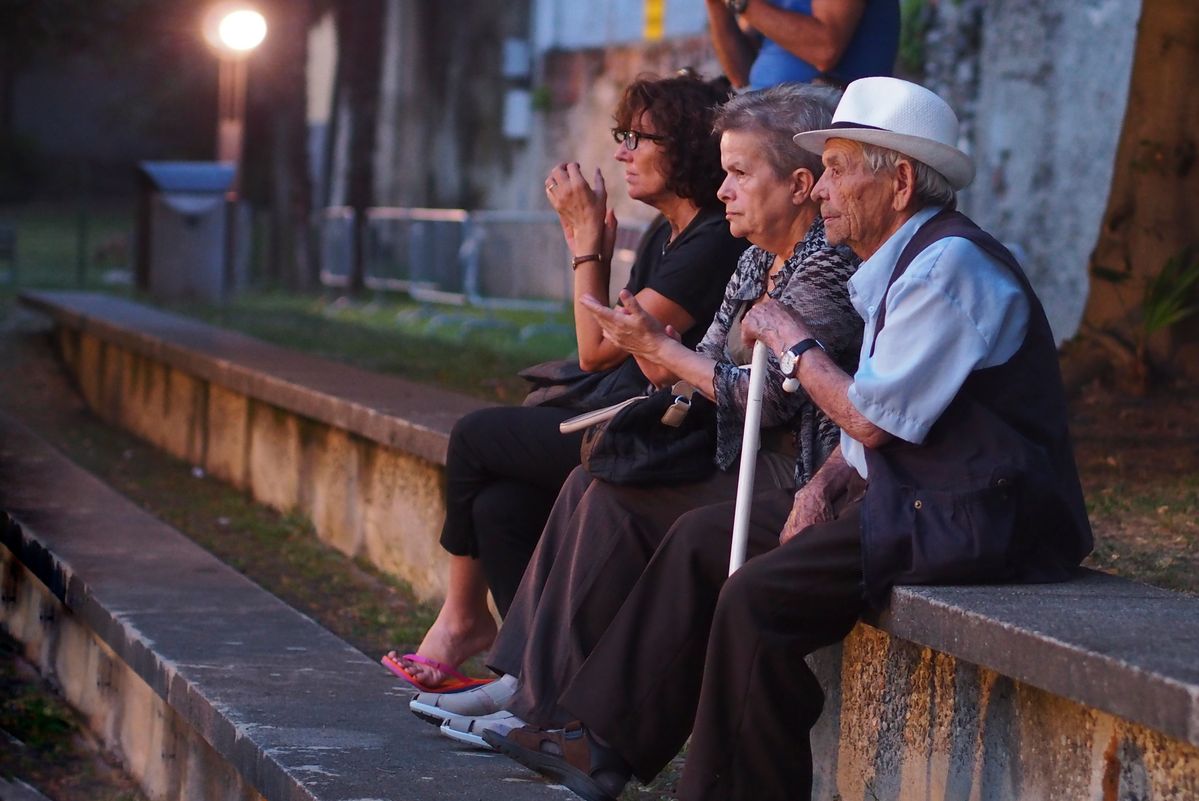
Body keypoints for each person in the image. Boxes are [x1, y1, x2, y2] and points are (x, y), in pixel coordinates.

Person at [481, 77, 1093, 801]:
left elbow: (869, 414)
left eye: (837, 169)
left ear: (897, 181)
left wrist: (793, 341)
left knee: (754, 599)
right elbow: (879, 424)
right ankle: (593, 740)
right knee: (702, 539)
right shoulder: (899, 264)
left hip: (974, 516)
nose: (822, 190)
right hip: (911, 496)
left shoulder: (948, 268)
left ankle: (717, 787)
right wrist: (828, 480)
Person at [408, 83, 859, 744]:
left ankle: (552, 707)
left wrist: (656, 345)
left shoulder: (823, 265)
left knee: (595, 484)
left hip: (794, 475)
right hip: (735, 452)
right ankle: (531, 686)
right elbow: (702, 363)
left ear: (798, 184)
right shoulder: (757, 255)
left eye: (738, 173)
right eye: (724, 171)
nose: (725, 188)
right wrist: (659, 348)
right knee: (593, 480)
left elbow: (764, 395)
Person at [383, 73, 747, 691]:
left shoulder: (712, 238)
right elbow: (604, 345)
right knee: (500, 507)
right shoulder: (668, 231)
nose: (623, 153)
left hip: (667, 434)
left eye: (641, 138)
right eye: (621, 136)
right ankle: (534, 676)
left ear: (686, 146)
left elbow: (597, 349)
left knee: (474, 437)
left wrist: (585, 245)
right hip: (628, 413)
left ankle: (463, 620)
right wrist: (591, 253)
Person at [706, 0, 900, 91]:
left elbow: (825, 50)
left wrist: (740, 3)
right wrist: (715, 5)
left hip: (823, 124)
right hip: (765, 115)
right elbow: (741, 75)